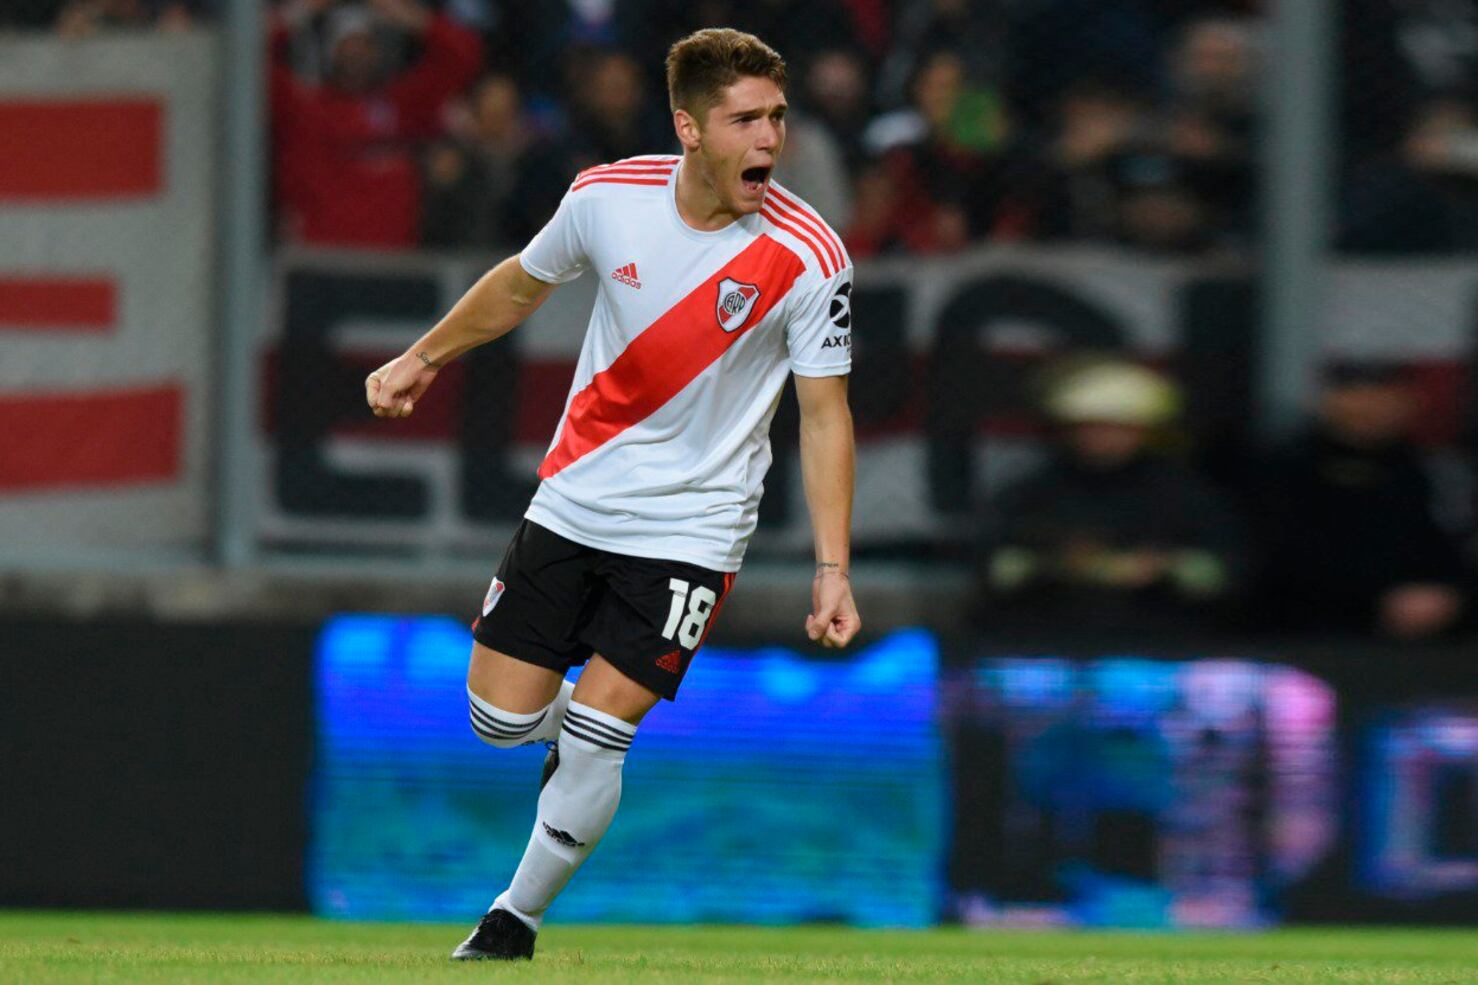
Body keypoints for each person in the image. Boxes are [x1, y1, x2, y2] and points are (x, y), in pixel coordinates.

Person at [364, 27, 861, 960]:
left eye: (778, 118)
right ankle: (569, 739)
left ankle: (513, 918)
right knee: (500, 719)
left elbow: (825, 413)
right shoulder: (605, 198)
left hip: (696, 527)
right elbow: (520, 285)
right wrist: (422, 356)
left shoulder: (810, 253)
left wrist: (833, 567)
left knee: (599, 732)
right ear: (689, 126)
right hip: (575, 500)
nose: (769, 140)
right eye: (745, 119)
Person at [976, 358, 1245, 639]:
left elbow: (1225, 571)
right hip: (1047, 642)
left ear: (1145, 431)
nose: (1103, 437)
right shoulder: (1032, 493)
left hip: (1158, 645)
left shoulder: (1183, 495)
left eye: (1118, 427)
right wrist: (1053, 564)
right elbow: (992, 568)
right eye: (1091, 426)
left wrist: (1165, 566)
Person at [1254, 364, 1470, 639]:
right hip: (1307, 632)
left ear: (1409, 402)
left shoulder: (1438, 470)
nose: (1367, 406)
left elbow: (1456, 543)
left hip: (1438, 639)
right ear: (1323, 400)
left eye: (1381, 395)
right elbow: (1275, 554)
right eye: (1354, 394)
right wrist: (1373, 599)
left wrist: (1450, 594)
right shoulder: (1282, 467)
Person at [270, 0, 482, 248]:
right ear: (330, 52)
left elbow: (464, 53)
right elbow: (245, 59)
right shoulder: (303, 109)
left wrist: (399, 11)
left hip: (389, 270)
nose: (355, 54)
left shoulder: (404, 107)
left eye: (364, 44)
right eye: (345, 45)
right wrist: (306, 8)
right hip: (317, 265)